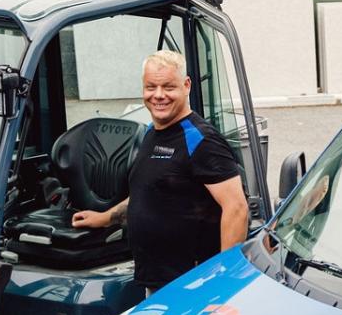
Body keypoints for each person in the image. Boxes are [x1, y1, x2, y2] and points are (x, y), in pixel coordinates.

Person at [71, 51, 249, 294]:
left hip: (191, 285)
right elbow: (149, 193)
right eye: (151, 87)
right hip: (156, 279)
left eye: (168, 87)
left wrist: (223, 278)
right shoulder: (151, 132)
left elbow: (236, 209)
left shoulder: (201, 139)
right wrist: (104, 218)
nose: (158, 95)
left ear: (186, 86)